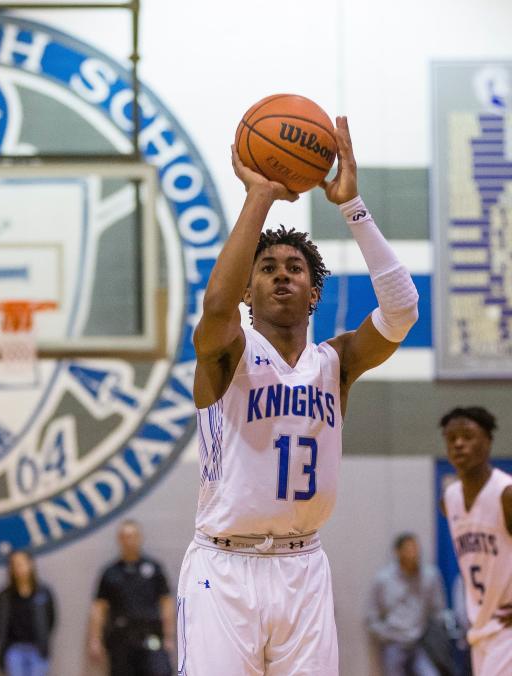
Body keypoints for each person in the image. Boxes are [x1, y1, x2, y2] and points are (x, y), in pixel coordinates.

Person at [177, 117, 420, 675]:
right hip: (224, 568)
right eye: (267, 268)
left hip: (303, 565)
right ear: (248, 288)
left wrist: (352, 207)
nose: (282, 275)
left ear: (314, 291)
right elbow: (215, 307)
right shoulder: (226, 350)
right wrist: (260, 196)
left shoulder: (335, 363)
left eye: (295, 268)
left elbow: (403, 310)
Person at [440, 406, 512, 676]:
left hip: (507, 629)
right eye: (451, 438)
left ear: (488, 442)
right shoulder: (450, 499)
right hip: (479, 630)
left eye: (468, 436)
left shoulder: (505, 494)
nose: (458, 443)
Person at [88, 520, 173, 676]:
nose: (129, 540)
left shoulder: (154, 568)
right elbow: (99, 608)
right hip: (120, 639)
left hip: (151, 637)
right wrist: (95, 640)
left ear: (140, 537)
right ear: (119, 540)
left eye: (133, 536)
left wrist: (169, 636)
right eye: (125, 536)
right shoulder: (110, 572)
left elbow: (166, 603)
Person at [366, 533, 447, 675]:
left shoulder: (430, 576)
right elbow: (371, 617)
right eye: (409, 549)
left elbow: (439, 611)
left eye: (415, 548)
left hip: (420, 643)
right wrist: (387, 635)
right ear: (397, 552)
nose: (414, 553)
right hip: (394, 643)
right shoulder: (383, 580)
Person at [0, 550, 57, 676]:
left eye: (21, 563)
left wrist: (42, 639)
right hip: (14, 650)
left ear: (30, 564)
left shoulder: (43, 593)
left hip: (37, 649)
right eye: (15, 565)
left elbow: (51, 620)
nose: (19, 568)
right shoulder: (5, 596)